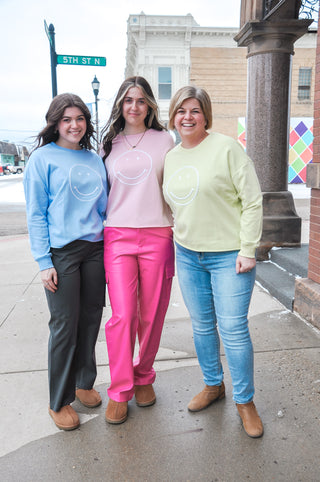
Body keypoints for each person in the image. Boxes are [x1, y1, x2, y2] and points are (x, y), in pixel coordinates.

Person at [163, 86, 264, 438]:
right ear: (173, 116)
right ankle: (212, 385)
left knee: (233, 330)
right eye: (181, 111)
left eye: (194, 110)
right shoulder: (172, 156)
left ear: (206, 114)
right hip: (188, 254)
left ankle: (245, 401)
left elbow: (252, 201)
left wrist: (248, 249)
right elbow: (176, 203)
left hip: (229, 256)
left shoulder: (226, 148)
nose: (187, 117)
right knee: (202, 326)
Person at [23, 93, 108, 431]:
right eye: (67, 119)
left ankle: (84, 383)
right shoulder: (42, 159)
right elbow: (36, 214)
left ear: (86, 123)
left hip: (95, 250)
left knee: (90, 320)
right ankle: (58, 400)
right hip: (62, 253)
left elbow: (102, 207)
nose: (74, 125)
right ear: (56, 123)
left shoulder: (93, 159)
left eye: (80, 119)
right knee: (64, 326)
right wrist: (44, 261)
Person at [100, 76, 175, 424]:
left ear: (150, 106)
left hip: (157, 234)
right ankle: (119, 388)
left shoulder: (165, 140)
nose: (134, 106)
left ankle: (143, 375)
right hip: (118, 236)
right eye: (128, 100)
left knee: (152, 314)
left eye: (141, 100)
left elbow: (179, 185)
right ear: (120, 104)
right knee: (122, 316)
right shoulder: (107, 145)